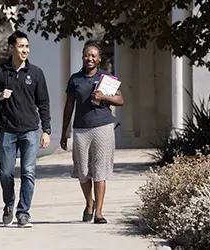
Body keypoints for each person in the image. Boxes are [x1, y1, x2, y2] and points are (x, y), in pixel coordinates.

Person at [0, 30, 52, 228]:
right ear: (11, 48)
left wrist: (46, 130)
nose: (25, 50)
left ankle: (23, 213)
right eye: (21, 46)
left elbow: (43, 103)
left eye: (27, 47)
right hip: (8, 130)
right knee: (6, 173)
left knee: (28, 172)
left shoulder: (36, 73)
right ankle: (9, 205)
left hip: (30, 131)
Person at [60, 40, 124, 224]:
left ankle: (99, 213)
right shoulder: (75, 79)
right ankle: (90, 203)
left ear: (99, 59)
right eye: (87, 55)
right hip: (81, 129)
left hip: (103, 127)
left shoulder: (107, 78)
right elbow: (69, 106)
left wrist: (104, 97)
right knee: (83, 171)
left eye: (93, 56)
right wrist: (64, 132)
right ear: (83, 57)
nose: (90, 58)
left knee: (100, 170)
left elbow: (121, 100)